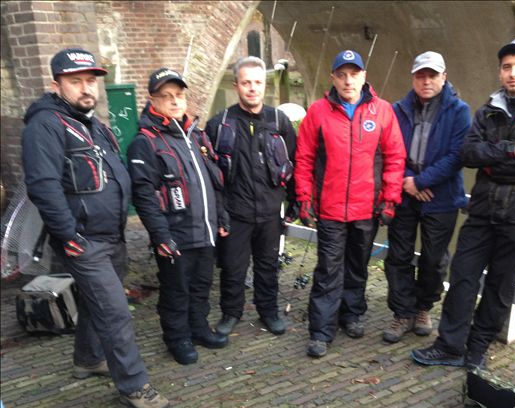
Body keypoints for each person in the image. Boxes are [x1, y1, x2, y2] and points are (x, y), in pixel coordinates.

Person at [21, 48, 169, 408]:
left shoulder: (92, 123)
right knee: (116, 312)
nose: (86, 88)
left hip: (110, 236)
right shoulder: (46, 125)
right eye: (76, 81)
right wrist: (69, 236)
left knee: (94, 302)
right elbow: (43, 186)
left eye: (91, 80)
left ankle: (88, 358)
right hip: (83, 241)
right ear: (56, 85)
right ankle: (134, 385)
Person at [412, 38, 515, 369]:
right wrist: (508, 150)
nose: (513, 73)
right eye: (507, 67)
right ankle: (450, 345)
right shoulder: (488, 111)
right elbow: (469, 153)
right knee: (462, 275)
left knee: (499, 284)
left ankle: (477, 350)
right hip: (483, 210)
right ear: (500, 72)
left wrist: (492, 164)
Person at [294, 49, 406, 358]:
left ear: (363, 77)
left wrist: (390, 199)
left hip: (366, 209)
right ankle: (321, 330)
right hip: (330, 210)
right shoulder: (318, 112)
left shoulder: (382, 111)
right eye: (342, 75)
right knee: (328, 270)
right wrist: (304, 197)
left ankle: (351, 314)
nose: (348, 81)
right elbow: (304, 158)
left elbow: (395, 158)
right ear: (333, 78)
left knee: (357, 267)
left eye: (354, 75)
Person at [128, 68, 230, 365]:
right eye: (167, 96)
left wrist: (221, 217)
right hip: (175, 234)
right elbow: (144, 195)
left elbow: (213, 181)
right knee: (176, 291)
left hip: (205, 230)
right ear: (153, 100)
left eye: (179, 95)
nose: (174, 101)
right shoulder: (145, 142)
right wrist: (160, 235)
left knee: (201, 286)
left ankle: (199, 328)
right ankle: (177, 338)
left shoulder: (196, 135)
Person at [205, 56, 297, 336]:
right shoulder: (219, 124)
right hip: (236, 213)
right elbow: (211, 177)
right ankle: (231, 312)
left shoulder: (279, 121)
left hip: (270, 212)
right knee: (233, 268)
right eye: (246, 83)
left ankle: (268, 311)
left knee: (268, 266)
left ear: (264, 85)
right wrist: (219, 213)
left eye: (257, 82)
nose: (252, 88)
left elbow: (294, 162)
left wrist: (295, 203)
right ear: (236, 86)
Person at [383, 52, 471, 343]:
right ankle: (402, 311)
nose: (426, 81)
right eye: (421, 76)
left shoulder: (459, 111)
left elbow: (457, 155)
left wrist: (421, 181)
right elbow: (390, 148)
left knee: (434, 259)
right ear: (413, 78)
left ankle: (423, 307)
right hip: (404, 193)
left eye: (432, 75)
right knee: (399, 255)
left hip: (441, 196)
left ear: (444, 77)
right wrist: (409, 180)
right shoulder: (398, 110)